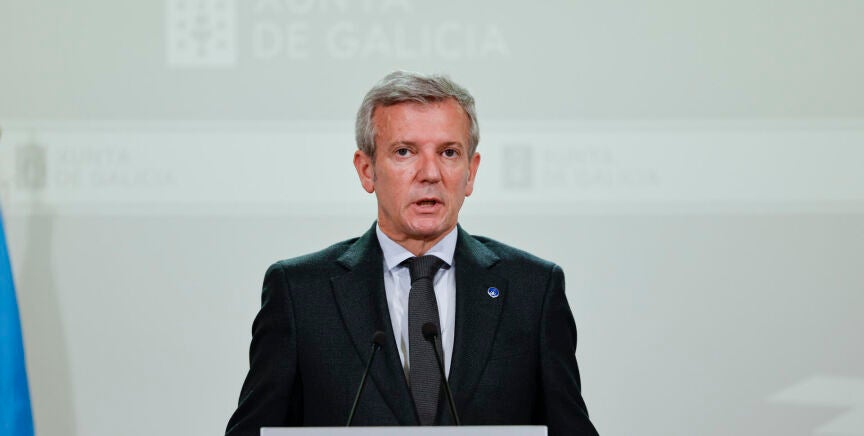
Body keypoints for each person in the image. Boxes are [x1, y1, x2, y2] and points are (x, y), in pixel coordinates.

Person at [225, 71, 599, 436]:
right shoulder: (301, 293)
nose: (430, 173)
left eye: (449, 152)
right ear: (366, 170)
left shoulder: (532, 290)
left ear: (471, 171)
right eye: (404, 152)